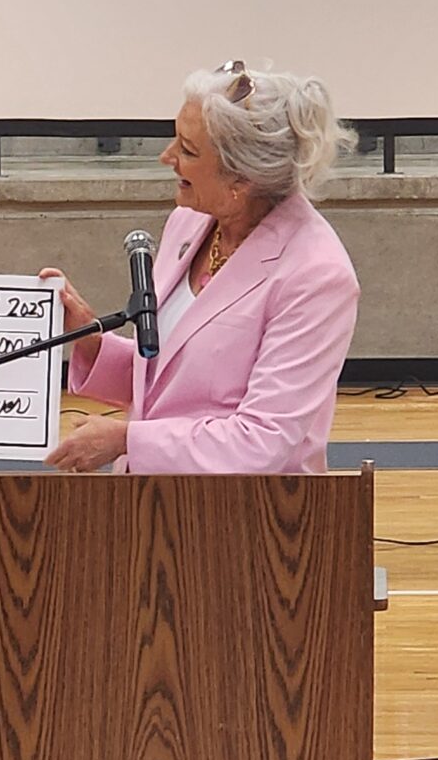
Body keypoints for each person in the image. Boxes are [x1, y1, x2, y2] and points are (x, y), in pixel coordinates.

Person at [45, 60, 359, 476]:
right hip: (151, 501)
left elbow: (262, 442)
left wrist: (126, 440)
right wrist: (89, 340)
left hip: (250, 510)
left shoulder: (317, 274)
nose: (167, 157)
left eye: (188, 150)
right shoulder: (189, 221)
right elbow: (169, 379)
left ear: (241, 179)